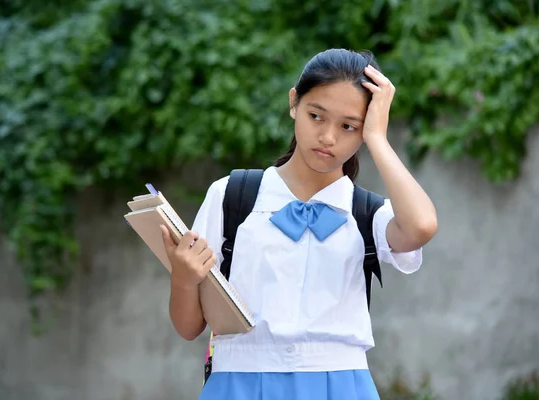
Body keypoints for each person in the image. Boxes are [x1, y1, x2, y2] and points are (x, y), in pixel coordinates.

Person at [160, 48, 438, 400]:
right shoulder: (232, 196)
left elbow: (421, 227)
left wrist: (379, 140)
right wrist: (183, 281)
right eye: (316, 116)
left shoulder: (365, 213)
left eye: (349, 126)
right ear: (294, 103)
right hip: (238, 383)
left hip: (339, 386)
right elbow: (189, 328)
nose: (328, 138)